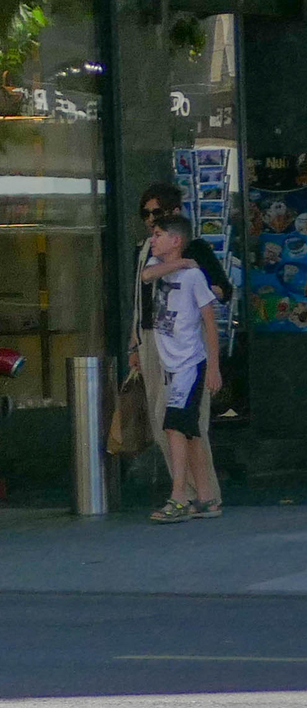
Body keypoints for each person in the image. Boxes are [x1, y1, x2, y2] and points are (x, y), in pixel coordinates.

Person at [132, 182, 227, 516]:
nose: (149, 222)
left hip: (187, 349)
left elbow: (219, 294)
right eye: (145, 215)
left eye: (156, 215)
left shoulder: (194, 252)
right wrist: (135, 342)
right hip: (155, 341)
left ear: (173, 216)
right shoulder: (148, 251)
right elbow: (140, 291)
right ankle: (200, 494)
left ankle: (185, 494)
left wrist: (194, 276)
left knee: (177, 424)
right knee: (175, 425)